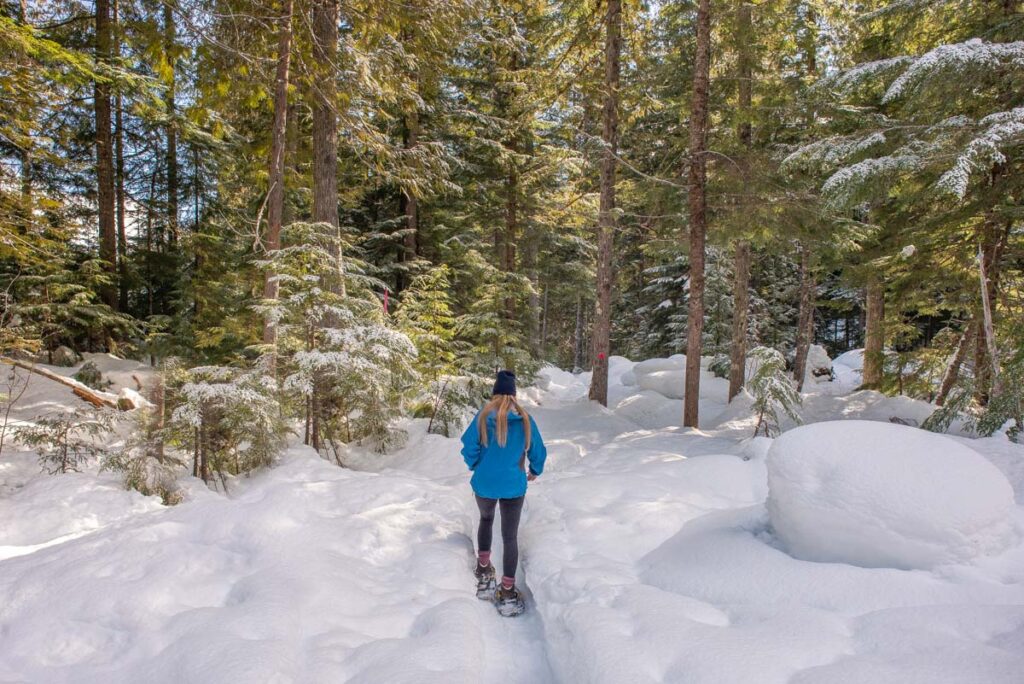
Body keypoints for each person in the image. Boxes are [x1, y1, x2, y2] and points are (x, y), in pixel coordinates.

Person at [460, 370, 547, 616]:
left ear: (495, 392)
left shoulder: (483, 416)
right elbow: (538, 451)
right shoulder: (525, 419)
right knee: (510, 536)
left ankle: (484, 568)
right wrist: (534, 470)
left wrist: (476, 465)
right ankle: (508, 590)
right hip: (513, 486)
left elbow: (468, 447)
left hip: (485, 484)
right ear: (514, 394)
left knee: (486, 519)